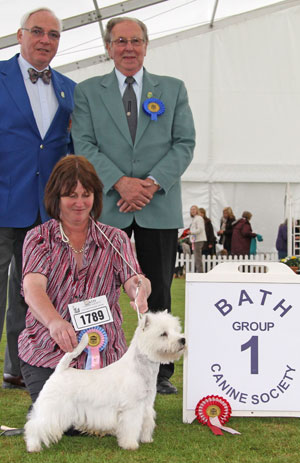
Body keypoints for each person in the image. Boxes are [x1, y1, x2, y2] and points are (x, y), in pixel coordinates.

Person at [71, 17, 195, 394]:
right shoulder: (88, 91)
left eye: (136, 41)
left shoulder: (173, 89)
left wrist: (151, 184)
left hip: (158, 207)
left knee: (157, 290)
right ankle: (97, 364)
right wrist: (120, 183)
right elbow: (85, 144)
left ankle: (158, 375)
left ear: (146, 45)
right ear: (108, 47)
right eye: (120, 41)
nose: (128, 48)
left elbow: (184, 143)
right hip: (109, 208)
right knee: (98, 289)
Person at [18, 155, 151, 404]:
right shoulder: (38, 238)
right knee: (68, 422)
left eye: (86, 194)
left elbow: (135, 279)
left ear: (96, 197)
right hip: (48, 353)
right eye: (71, 195)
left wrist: (140, 289)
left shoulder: (115, 238)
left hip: (107, 357)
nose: (79, 203)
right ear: (56, 198)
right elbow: (32, 288)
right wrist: (55, 323)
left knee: (99, 418)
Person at [0, 8, 76, 390]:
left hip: (45, 211)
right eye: (38, 32)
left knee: (32, 290)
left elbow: (67, 148)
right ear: (19, 35)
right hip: (2, 202)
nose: (46, 40)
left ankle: (18, 366)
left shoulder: (69, 88)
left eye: (54, 35)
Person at [189, 205, 206, 272]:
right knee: (197, 258)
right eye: (191, 209)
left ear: (197, 210)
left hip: (198, 240)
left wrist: (191, 232)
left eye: (194, 209)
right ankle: (199, 272)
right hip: (195, 240)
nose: (192, 211)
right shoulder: (195, 218)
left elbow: (200, 229)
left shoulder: (199, 218)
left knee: (198, 258)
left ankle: (200, 273)